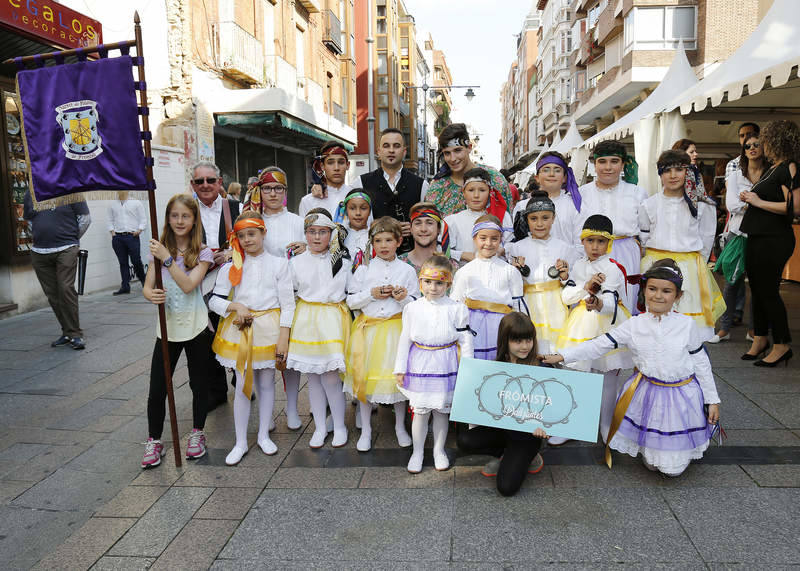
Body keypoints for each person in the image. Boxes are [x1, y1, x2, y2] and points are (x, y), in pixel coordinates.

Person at [543, 259, 721, 477]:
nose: (658, 296)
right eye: (652, 289)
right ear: (644, 290)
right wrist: (563, 355)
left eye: (666, 291)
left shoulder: (686, 325)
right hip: (649, 392)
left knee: (671, 469)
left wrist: (712, 400)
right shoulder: (634, 325)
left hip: (682, 395)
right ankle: (654, 450)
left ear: (678, 296)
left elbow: (701, 362)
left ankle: (676, 452)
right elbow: (598, 345)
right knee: (652, 463)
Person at [209, 212, 295, 465]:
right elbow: (214, 300)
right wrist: (236, 306)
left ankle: (263, 436)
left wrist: (283, 337)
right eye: (242, 236)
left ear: (263, 233)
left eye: (252, 234)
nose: (247, 240)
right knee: (243, 384)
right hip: (241, 330)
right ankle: (240, 442)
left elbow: (287, 304)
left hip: (269, 328)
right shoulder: (231, 266)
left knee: (267, 382)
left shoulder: (280, 264)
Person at [140, 194, 215, 468]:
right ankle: (154, 439)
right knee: (158, 387)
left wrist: (168, 260)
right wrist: (152, 295)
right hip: (167, 327)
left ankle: (197, 433)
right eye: (174, 216)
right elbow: (147, 287)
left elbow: (188, 285)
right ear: (168, 218)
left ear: (194, 220)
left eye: (185, 216)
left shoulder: (203, 253)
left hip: (195, 325)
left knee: (199, 383)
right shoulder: (158, 250)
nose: (180, 221)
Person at [556, 215, 632, 445]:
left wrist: (598, 302)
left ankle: (606, 423)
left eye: (601, 241)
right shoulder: (579, 265)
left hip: (608, 323)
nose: (595, 247)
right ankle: (575, 424)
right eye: (590, 241)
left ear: (609, 243)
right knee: (579, 374)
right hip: (581, 322)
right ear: (583, 241)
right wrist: (585, 286)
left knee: (607, 378)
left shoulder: (614, 269)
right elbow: (567, 296)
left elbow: (610, 303)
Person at [345, 217, 419, 452]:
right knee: (367, 380)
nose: (384, 245)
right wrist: (371, 294)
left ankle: (399, 426)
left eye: (389, 240)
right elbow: (351, 299)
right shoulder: (364, 270)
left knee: (396, 381)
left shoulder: (407, 270)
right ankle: (366, 429)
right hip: (370, 332)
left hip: (396, 331)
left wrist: (403, 298)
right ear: (372, 243)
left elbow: (416, 302)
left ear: (399, 242)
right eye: (378, 241)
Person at [395, 255, 474, 473]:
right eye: (428, 282)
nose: (433, 288)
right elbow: (405, 338)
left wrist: (468, 370)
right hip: (420, 363)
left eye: (439, 283)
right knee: (420, 411)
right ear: (420, 282)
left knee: (441, 411)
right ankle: (418, 451)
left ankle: (439, 450)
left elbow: (465, 339)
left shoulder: (457, 308)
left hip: (446, 364)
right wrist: (400, 368)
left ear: (449, 284)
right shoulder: (412, 308)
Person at [456, 312, 547, 496]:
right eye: (517, 341)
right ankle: (504, 455)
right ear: (505, 340)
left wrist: (544, 426)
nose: (524, 346)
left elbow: (553, 408)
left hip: (527, 437)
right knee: (464, 440)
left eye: (528, 340)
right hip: (503, 430)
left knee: (506, 487)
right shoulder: (495, 366)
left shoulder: (542, 369)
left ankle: (531, 456)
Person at [639, 149, 725, 341]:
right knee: (655, 324)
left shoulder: (702, 205)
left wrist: (696, 268)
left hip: (689, 270)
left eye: (678, 169)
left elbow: (706, 240)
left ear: (688, 172)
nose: (672, 175)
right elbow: (644, 239)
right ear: (660, 174)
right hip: (655, 266)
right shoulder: (649, 204)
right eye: (666, 170)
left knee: (687, 327)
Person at [284, 209, 352, 447]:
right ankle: (320, 427)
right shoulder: (296, 262)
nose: (316, 237)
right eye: (311, 232)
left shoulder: (342, 261)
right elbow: (290, 293)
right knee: (312, 377)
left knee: (332, 377)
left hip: (332, 318)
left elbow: (350, 291)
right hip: (306, 318)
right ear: (305, 234)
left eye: (322, 232)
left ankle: (340, 425)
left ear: (331, 234)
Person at [739, 120, 800, 366]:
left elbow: (794, 207)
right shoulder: (774, 167)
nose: (761, 143)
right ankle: (760, 339)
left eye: (765, 138)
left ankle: (782, 344)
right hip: (758, 236)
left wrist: (757, 201)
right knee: (758, 289)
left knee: (768, 292)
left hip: (774, 238)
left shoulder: (790, 167)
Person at [190, 160, 241, 409]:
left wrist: (230, 253)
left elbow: (249, 240)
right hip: (200, 282)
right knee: (206, 336)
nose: (206, 185)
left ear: (220, 182)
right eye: (200, 181)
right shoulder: (186, 209)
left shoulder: (235, 206)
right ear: (193, 185)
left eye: (211, 180)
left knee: (235, 331)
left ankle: (241, 382)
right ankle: (216, 391)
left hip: (232, 283)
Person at [578, 141, 648, 313]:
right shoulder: (582, 193)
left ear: (623, 164)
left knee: (625, 298)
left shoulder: (637, 193)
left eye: (614, 161)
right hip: (591, 252)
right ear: (594, 164)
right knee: (594, 298)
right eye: (602, 161)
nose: (608, 167)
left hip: (626, 252)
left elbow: (646, 229)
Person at [506, 192, 577, 355]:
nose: (539, 224)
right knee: (531, 351)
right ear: (527, 219)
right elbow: (513, 283)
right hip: (529, 306)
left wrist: (565, 275)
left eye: (545, 218)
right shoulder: (517, 248)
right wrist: (516, 270)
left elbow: (571, 282)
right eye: (534, 218)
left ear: (553, 218)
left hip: (556, 306)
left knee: (556, 350)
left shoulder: (564, 248)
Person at [713, 134, 767, 343]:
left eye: (756, 145)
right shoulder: (736, 176)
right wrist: (757, 204)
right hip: (738, 233)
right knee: (731, 283)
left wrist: (752, 202)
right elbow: (732, 206)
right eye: (748, 146)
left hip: (760, 234)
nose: (752, 148)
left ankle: (754, 329)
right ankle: (724, 328)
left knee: (758, 285)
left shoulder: (769, 174)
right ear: (743, 151)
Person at [450, 215, 526, 361]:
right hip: (472, 330)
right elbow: (455, 305)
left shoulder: (510, 271)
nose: (488, 243)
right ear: (474, 239)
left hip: (502, 328)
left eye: (494, 239)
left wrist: (521, 335)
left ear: (501, 239)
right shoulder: (464, 272)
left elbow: (518, 306)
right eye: (483, 238)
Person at [23, 190, 91, 350]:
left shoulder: (71, 190)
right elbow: (30, 222)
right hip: (40, 251)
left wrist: (71, 238)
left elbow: (85, 219)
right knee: (53, 294)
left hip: (66, 248)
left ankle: (75, 334)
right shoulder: (30, 193)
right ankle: (67, 332)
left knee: (65, 288)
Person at [358, 128, 429, 253]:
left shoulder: (421, 185)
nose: (391, 150)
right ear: (379, 152)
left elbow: (430, 223)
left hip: (410, 256)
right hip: (374, 256)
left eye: (396, 146)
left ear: (404, 152)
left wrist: (414, 227)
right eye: (386, 146)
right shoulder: (361, 183)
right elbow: (352, 221)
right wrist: (374, 225)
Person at [424, 123, 512, 217]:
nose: (452, 158)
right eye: (447, 153)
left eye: (457, 150)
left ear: (469, 147)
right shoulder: (437, 188)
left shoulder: (494, 179)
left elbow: (507, 221)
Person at [512, 151, 582, 251]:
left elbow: (580, 244)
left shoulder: (575, 206)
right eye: (546, 170)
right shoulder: (522, 206)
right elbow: (517, 241)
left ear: (564, 178)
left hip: (566, 263)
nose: (551, 174)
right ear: (537, 178)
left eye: (557, 170)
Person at [444, 167, 513, 263]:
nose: (476, 195)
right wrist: (465, 255)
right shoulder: (453, 221)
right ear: (463, 192)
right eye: (471, 190)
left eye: (482, 190)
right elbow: (442, 249)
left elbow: (511, 244)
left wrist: (501, 250)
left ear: (490, 192)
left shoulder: (502, 216)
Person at [243, 167, 306, 259]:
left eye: (278, 188)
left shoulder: (300, 223)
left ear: (285, 191)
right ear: (259, 191)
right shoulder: (251, 223)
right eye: (267, 188)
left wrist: (307, 248)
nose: (273, 194)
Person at [398, 202, 458, 274]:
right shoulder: (398, 264)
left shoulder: (450, 266)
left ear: (439, 228)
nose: (423, 229)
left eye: (429, 223)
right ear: (411, 229)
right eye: (418, 223)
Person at [301, 141, 354, 219]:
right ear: (322, 166)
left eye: (341, 162)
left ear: (348, 165)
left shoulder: (357, 197)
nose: (336, 168)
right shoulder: (308, 201)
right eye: (330, 163)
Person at [108, 191, 147, 295]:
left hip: (132, 236)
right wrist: (113, 233)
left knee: (136, 260)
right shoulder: (112, 204)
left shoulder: (136, 202)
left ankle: (144, 281)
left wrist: (139, 230)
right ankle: (125, 286)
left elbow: (143, 219)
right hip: (118, 237)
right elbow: (110, 220)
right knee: (123, 262)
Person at [338, 189, 373, 258]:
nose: (358, 213)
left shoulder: (376, 236)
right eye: (352, 208)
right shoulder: (338, 236)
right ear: (346, 211)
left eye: (363, 208)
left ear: (369, 211)